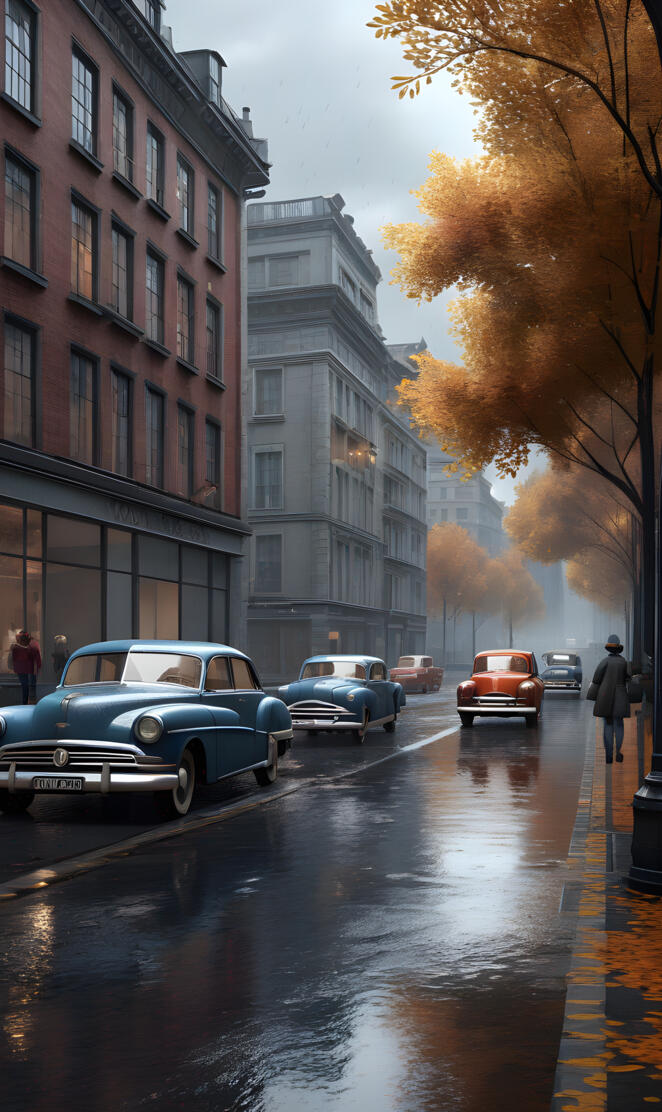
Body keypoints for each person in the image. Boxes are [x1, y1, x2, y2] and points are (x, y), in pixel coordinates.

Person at [588, 634, 631, 764]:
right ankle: (618, 752)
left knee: (607, 725)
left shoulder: (604, 662)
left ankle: (608, 756)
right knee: (619, 724)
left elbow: (596, 680)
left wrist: (592, 696)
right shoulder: (624, 662)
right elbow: (629, 678)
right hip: (621, 696)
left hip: (605, 696)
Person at [8, 630, 42, 705]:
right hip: (25, 670)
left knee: (28, 686)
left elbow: (12, 659)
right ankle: (27, 703)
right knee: (27, 686)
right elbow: (12, 659)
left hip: (28, 670)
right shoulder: (30, 645)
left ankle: (27, 703)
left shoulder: (31, 645)